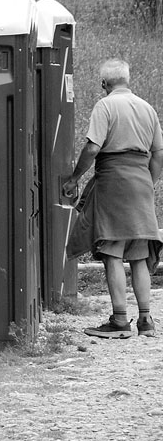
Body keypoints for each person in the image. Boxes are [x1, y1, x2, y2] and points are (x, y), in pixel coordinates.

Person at [63, 59, 163, 339]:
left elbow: (93, 147)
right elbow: (158, 154)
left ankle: (120, 320)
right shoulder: (147, 108)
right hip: (141, 182)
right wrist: (148, 182)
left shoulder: (105, 106)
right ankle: (146, 321)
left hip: (114, 181)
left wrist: (74, 178)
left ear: (104, 84)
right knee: (140, 254)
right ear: (127, 80)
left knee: (112, 251)